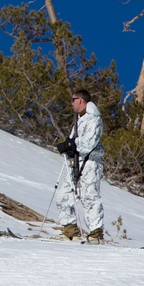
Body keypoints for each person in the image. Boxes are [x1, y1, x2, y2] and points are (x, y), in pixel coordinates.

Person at [55, 90, 105, 243]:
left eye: (73, 99)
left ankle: (96, 234)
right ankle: (70, 230)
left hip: (90, 163)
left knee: (89, 196)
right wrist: (67, 146)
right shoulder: (79, 120)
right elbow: (74, 141)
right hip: (75, 163)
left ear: (81, 101)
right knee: (63, 195)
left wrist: (72, 145)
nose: (71, 103)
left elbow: (89, 143)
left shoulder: (94, 120)